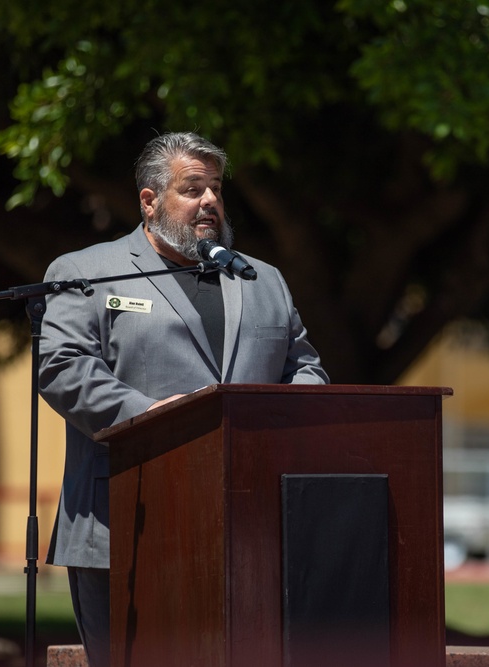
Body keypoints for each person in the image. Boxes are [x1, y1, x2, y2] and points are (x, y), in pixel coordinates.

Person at [38, 132, 329, 667]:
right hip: (127, 518)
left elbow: (304, 368)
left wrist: (288, 419)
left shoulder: (264, 281)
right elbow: (63, 367)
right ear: (149, 201)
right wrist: (148, 418)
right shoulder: (87, 272)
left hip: (251, 528)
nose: (210, 201)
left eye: (215, 188)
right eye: (192, 188)